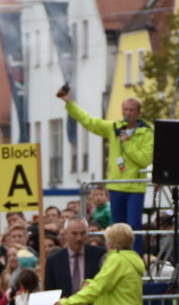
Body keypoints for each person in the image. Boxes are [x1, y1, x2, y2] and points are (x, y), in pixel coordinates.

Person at [57, 85, 152, 251]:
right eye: (125, 109)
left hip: (135, 187)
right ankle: (118, 258)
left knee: (133, 227)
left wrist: (127, 143)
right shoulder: (114, 127)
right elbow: (89, 122)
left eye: (131, 110)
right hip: (115, 185)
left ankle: (135, 259)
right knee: (117, 229)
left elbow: (144, 160)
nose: (127, 113)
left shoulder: (147, 133)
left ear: (139, 113)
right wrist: (69, 104)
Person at [56, 223, 145, 305]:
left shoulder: (117, 260)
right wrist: (89, 283)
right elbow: (108, 283)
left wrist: (67, 302)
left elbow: (98, 287)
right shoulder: (130, 258)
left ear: (111, 243)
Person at [44, 218, 106, 299]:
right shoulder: (53, 261)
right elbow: (49, 293)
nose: (79, 238)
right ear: (65, 234)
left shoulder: (99, 255)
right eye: (74, 234)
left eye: (82, 233)